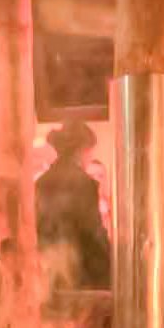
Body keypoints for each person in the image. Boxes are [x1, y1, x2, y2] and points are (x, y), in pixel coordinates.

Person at [35, 120, 110, 289]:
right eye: (90, 152)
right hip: (76, 268)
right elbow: (92, 233)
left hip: (45, 269)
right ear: (82, 150)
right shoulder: (84, 183)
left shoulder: (41, 183)